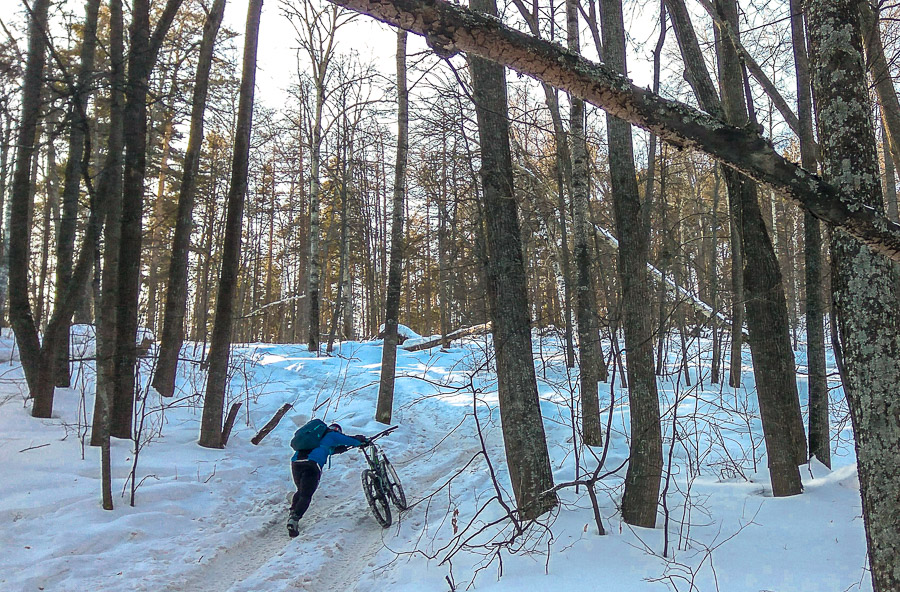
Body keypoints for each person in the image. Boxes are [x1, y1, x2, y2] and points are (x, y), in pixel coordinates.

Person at [287, 423, 369, 537]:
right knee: (306, 495)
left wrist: (341, 449)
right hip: (312, 464)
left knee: (300, 491)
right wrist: (361, 440)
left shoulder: (316, 439)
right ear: (337, 430)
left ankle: (293, 512)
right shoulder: (332, 435)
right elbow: (349, 440)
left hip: (296, 463)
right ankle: (294, 520)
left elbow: (329, 450)